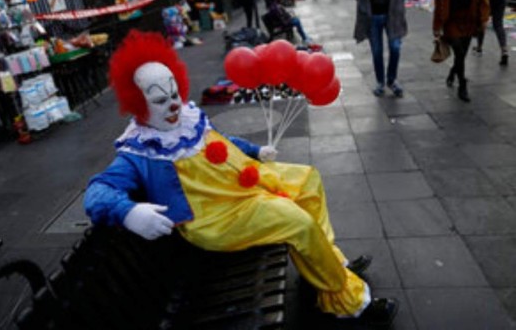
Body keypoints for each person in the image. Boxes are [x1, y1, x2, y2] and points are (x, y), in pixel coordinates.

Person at [83, 30, 398, 326]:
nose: (174, 104)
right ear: (138, 102)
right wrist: (129, 211)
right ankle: (347, 300)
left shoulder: (189, 120)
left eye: (174, 93)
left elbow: (222, 142)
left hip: (241, 183)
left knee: (308, 180)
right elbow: (97, 192)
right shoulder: (139, 150)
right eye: (160, 100)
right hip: (215, 218)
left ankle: (326, 260)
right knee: (297, 221)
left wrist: (256, 150)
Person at [433, 0, 490, 102]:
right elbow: (439, 5)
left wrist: (484, 19)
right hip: (451, 22)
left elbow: (484, 0)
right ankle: (462, 84)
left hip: (470, 21)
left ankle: (453, 72)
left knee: (462, 54)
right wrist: (436, 28)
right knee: (458, 50)